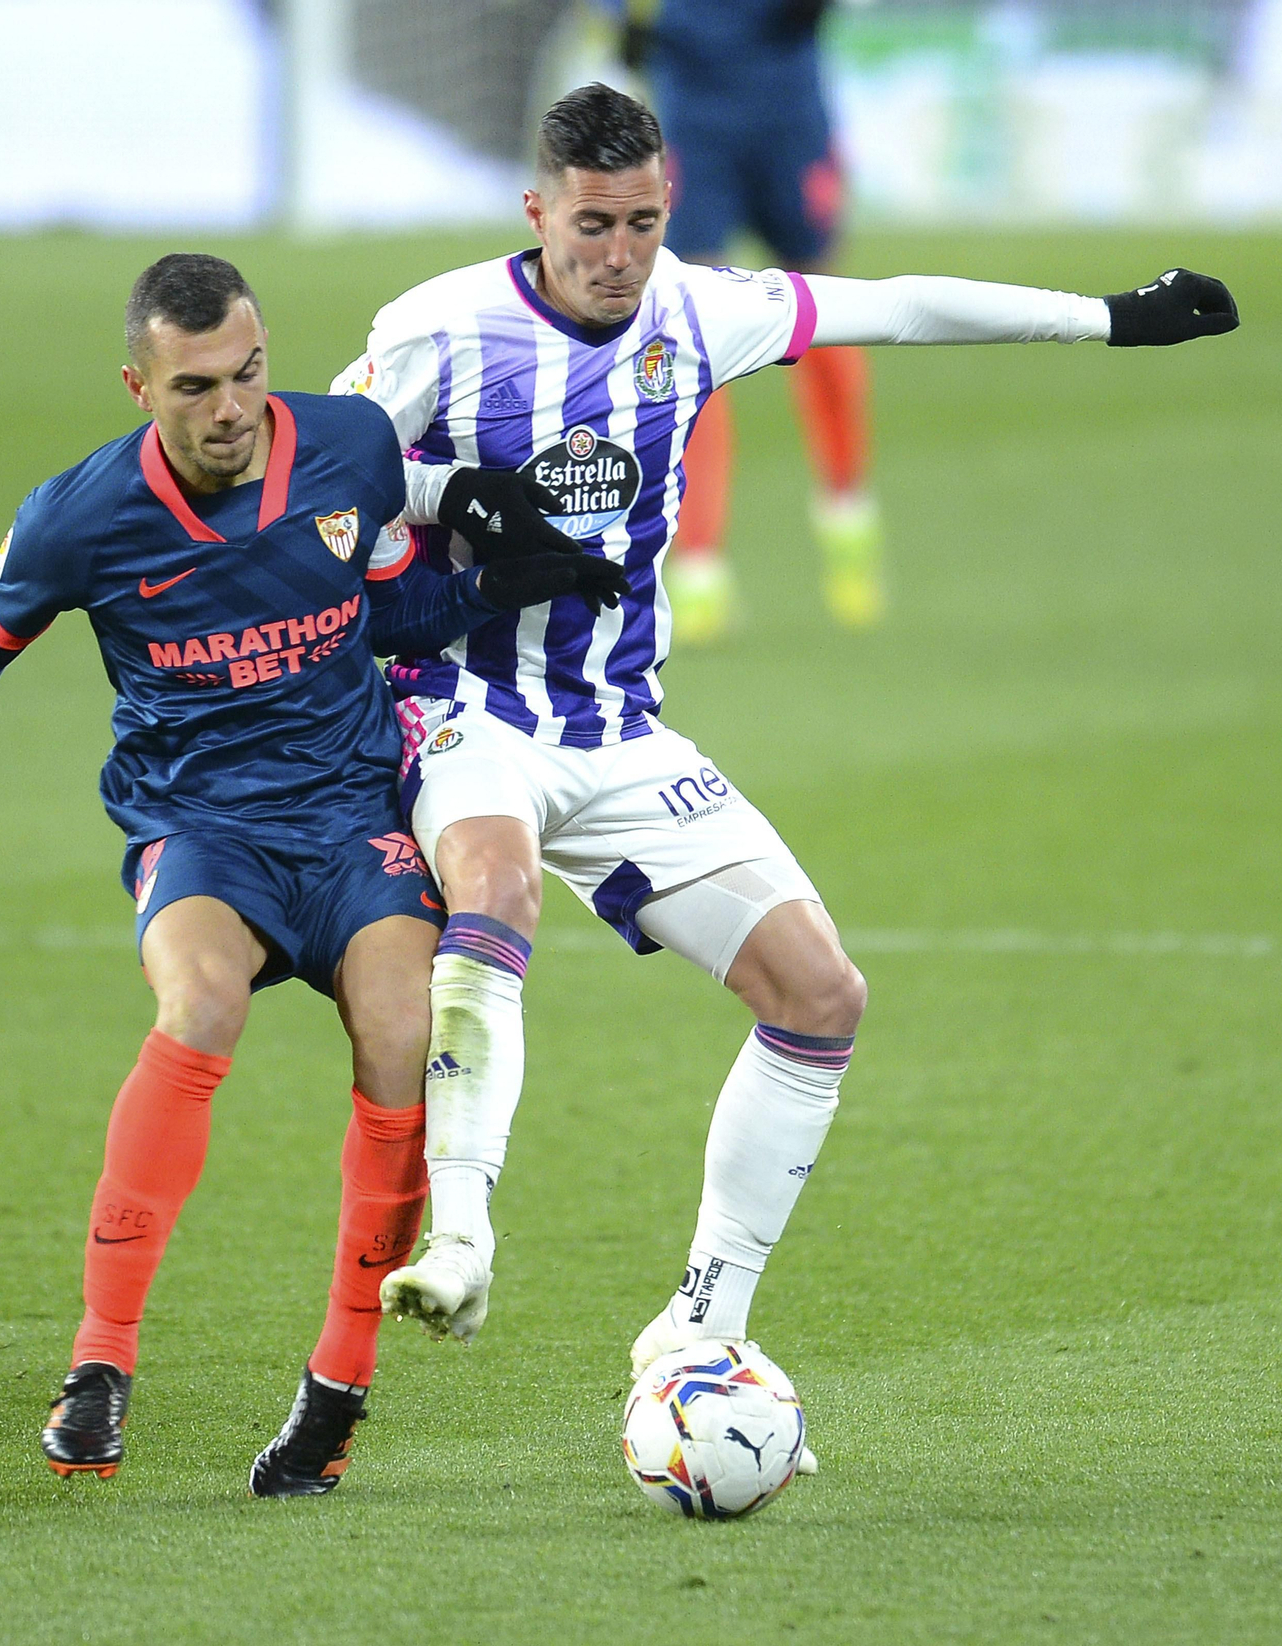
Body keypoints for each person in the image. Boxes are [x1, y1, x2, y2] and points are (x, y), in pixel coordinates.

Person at [333, 85, 1236, 1448]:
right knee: (496, 882)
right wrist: (445, 495)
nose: (620, 254)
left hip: (624, 729)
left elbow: (900, 306)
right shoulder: (436, 329)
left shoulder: (698, 310)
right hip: (466, 705)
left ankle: (701, 1320)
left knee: (821, 993)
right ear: (538, 212)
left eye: (643, 223)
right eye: (593, 225)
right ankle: (461, 1233)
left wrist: (1110, 315)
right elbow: (311, 478)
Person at [0, 254, 627, 1496]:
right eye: (194, 387)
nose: (229, 406)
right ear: (140, 385)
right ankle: (99, 1363)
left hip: (350, 816)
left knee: (405, 1028)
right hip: (200, 825)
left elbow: (376, 617)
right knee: (200, 1005)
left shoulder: (348, 447)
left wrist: (487, 590)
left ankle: (336, 1390)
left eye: (245, 372)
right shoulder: (81, 516)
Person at [619, 0, 882, 637]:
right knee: (693, 331)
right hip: (693, 112)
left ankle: (848, 512)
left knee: (825, 315)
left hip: (784, 106)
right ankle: (700, 565)